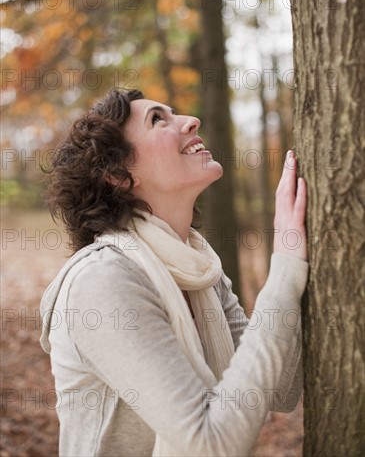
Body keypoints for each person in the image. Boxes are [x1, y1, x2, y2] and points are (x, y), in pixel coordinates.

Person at [40, 88, 308, 457]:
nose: (191, 120)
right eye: (157, 119)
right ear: (119, 174)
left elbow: (282, 387)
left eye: (174, 112)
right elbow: (209, 443)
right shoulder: (102, 281)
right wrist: (285, 271)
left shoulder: (197, 267)